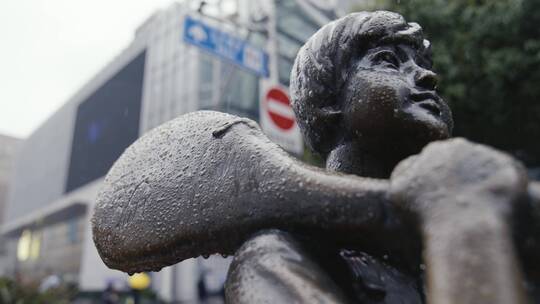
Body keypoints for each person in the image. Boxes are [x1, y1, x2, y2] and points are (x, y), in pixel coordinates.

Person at [225, 11, 453, 303]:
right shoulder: (277, 258)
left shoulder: (439, 241)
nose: (428, 76)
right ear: (329, 100)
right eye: (388, 60)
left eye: (422, 64)